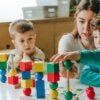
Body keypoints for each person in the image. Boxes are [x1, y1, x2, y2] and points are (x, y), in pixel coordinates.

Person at [50, 15, 100, 86]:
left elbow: (95, 56)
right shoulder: (93, 60)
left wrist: (78, 55)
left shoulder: (94, 57)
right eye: (96, 37)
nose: (98, 41)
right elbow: (84, 76)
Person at [57, 0, 100, 78]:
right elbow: (63, 58)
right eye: (81, 21)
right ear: (76, 20)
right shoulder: (68, 40)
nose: (86, 29)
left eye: (92, 23)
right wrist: (63, 66)